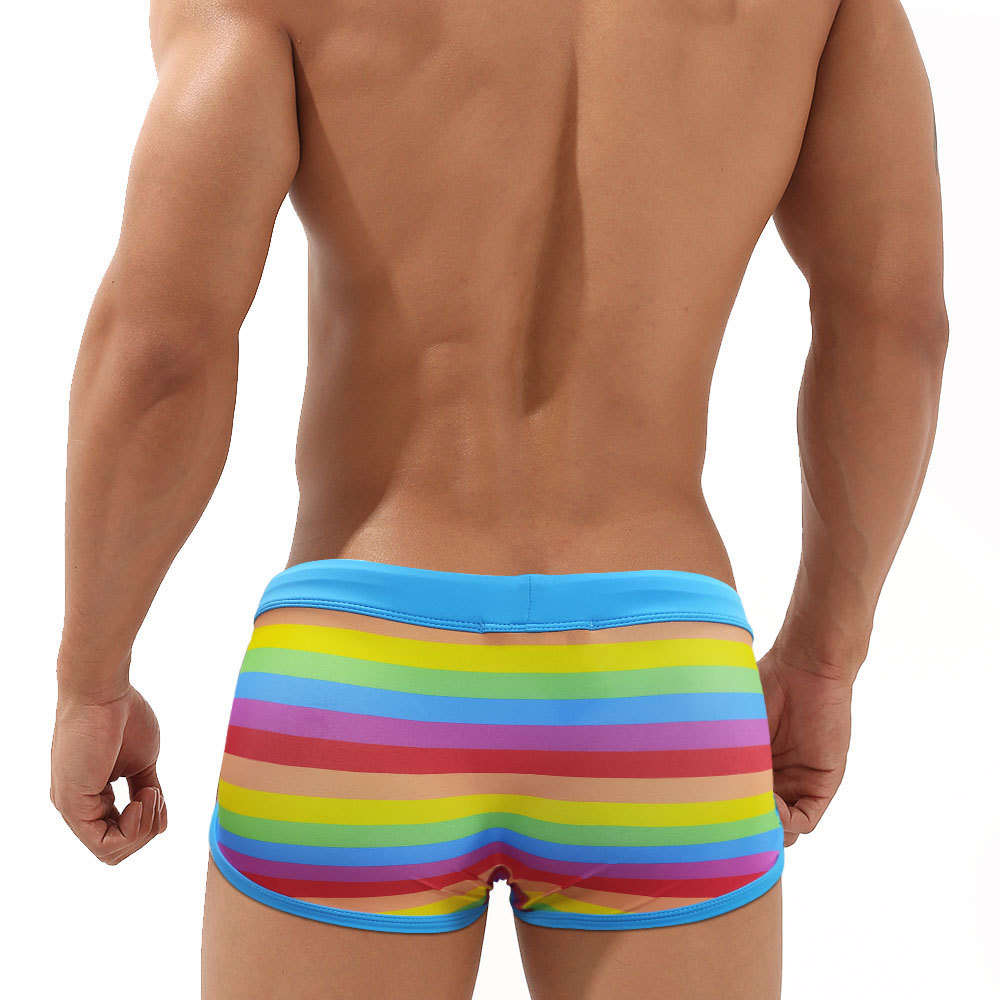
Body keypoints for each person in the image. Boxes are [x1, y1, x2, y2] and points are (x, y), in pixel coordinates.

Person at [49, 0, 948, 996]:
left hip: (360, 683)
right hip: (659, 689)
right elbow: (895, 324)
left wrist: (93, 678)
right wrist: (824, 657)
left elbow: (162, 345)